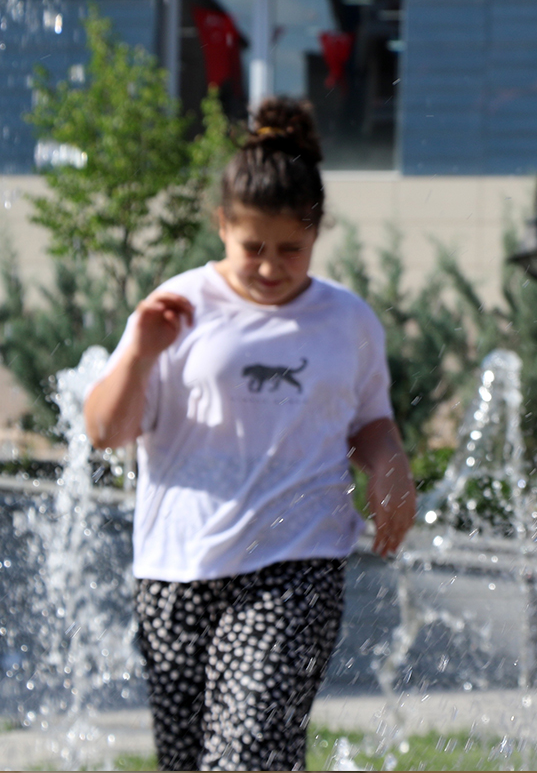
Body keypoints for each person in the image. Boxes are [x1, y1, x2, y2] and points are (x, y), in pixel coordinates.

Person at [84, 97, 417, 771]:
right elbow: (104, 431)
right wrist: (142, 353)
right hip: (177, 567)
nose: (270, 267)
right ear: (222, 226)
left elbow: (370, 423)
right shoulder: (176, 307)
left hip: (297, 564)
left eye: (289, 249)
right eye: (252, 249)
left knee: (249, 750)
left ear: (317, 233)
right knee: (193, 761)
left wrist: (389, 466)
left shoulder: (346, 320)